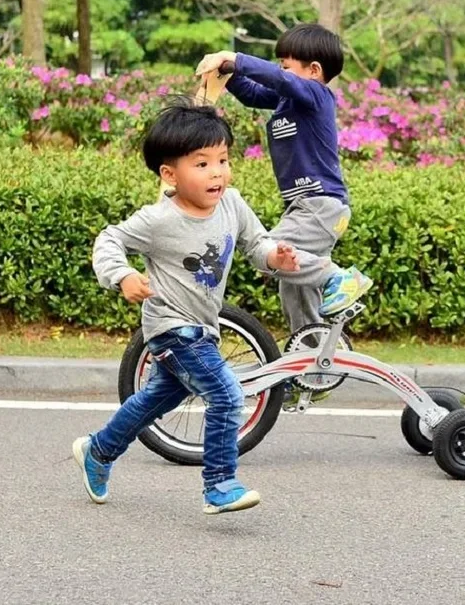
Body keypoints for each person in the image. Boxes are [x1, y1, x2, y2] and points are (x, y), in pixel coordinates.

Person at [74, 102, 309, 514]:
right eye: (202, 163)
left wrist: (278, 258)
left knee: (154, 401)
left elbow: (257, 245)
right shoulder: (158, 220)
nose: (217, 172)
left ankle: (98, 450)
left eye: (223, 160)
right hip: (170, 327)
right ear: (170, 174)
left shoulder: (232, 204)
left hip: (203, 326)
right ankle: (219, 484)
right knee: (226, 395)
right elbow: (109, 239)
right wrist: (122, 276)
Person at [195, 23, 372, 337]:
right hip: (305, 206)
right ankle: (311, 361)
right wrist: (226, 73)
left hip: (320, 204)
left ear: (314, 70)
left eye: (286, 65)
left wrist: (235, 57)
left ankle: (340, 279)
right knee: (295, 291)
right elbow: (253, 93)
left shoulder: (317, 95)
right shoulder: (285, 100)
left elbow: (277, 79)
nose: (280, 71)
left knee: (268, 250)